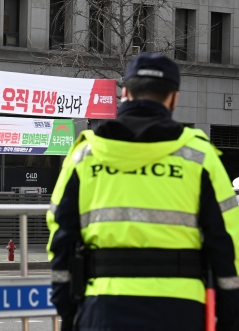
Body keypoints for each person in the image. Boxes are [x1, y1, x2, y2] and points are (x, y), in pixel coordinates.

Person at [47, 53, 239, 331]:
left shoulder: (85, 156)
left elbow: (60, 236)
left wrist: (69, 309)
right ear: (174, 97)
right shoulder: (199, 157)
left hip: (103, 308)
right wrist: (230, 315)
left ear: (125, 93)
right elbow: (227, 241)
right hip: (180, 310)